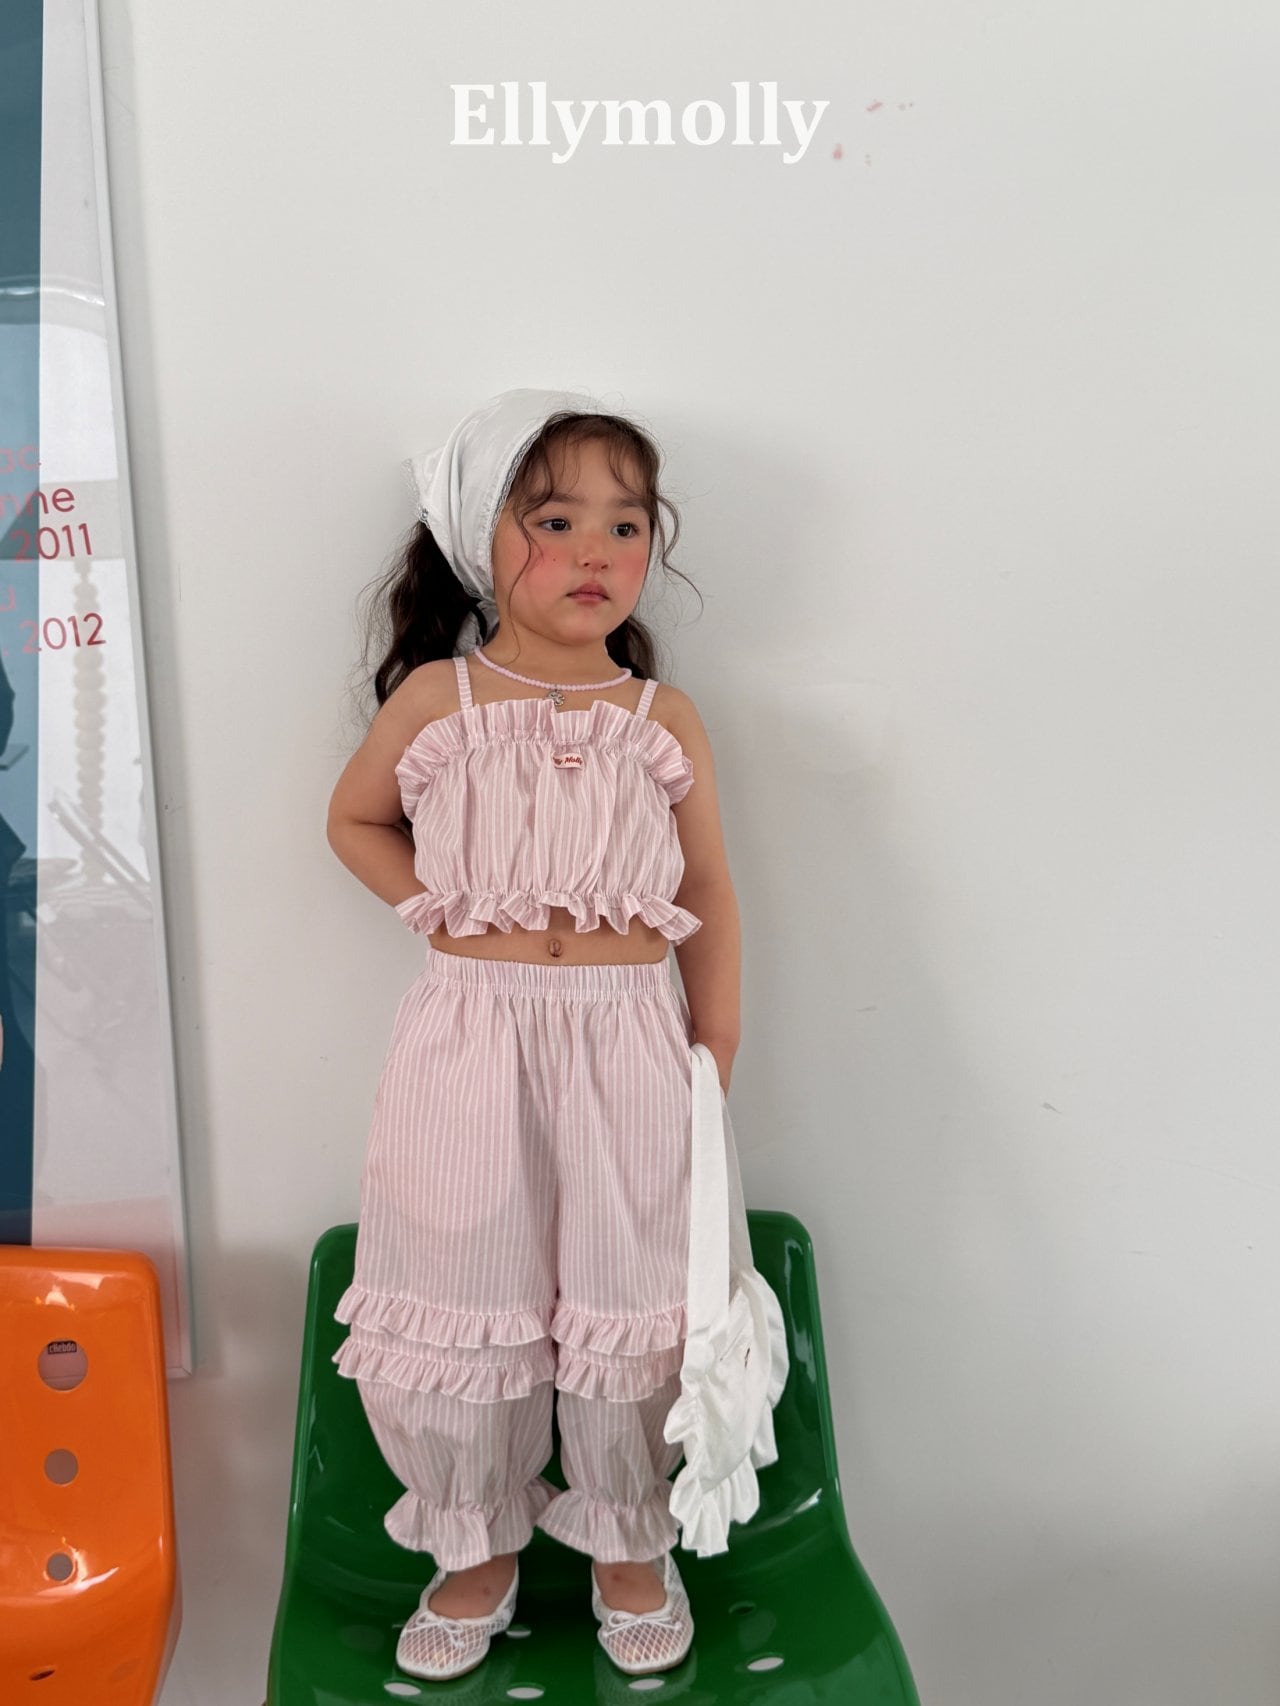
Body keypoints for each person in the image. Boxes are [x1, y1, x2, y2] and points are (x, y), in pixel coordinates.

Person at [325, 387, 741, 1682]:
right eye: (555, 520)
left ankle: (628, 1540)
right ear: (478, 538)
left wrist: (716, 1042)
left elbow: (710, 888)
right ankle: (474, 1545)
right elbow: (352, 818)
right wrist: (432, 908)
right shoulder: (437, 700)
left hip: (630, 1043)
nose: (595, 550)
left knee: (632, 1289)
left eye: (626, 523)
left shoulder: (659, 719)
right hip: (468, 1042)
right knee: (463, 1277)